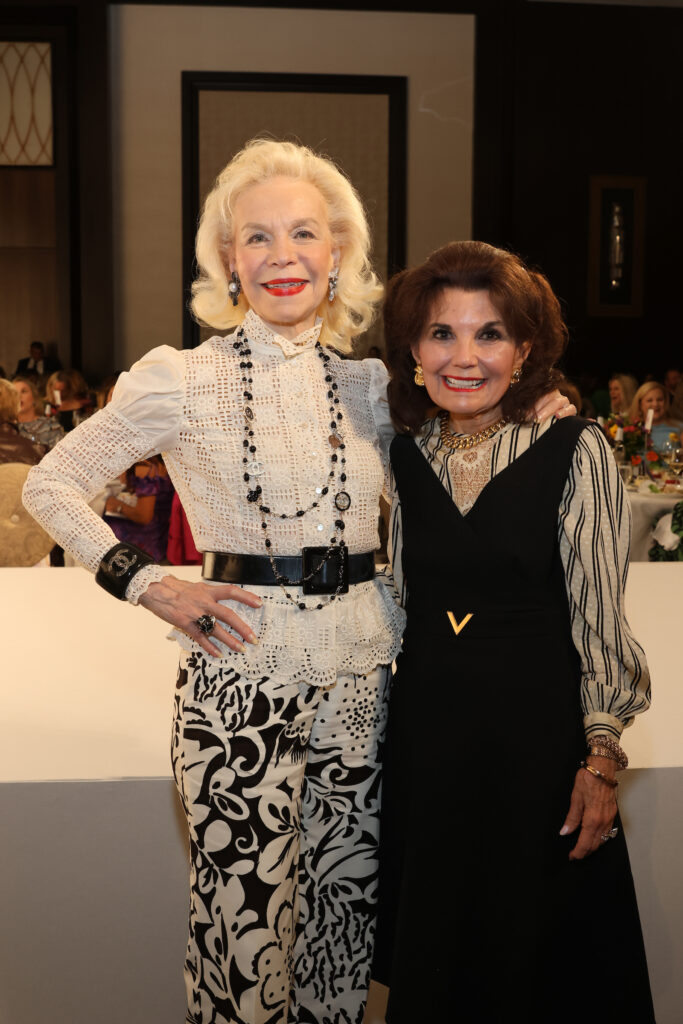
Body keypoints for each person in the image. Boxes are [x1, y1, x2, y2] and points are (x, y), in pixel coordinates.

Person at [23, 140, 572, 1024]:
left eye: (304, 234)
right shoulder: (181, 377)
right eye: (258, 238)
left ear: (338, 256)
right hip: (239, 682)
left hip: (364, 678)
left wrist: (538, 403)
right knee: (244, 930)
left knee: (341, 925)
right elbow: (53, 481)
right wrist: (147, 581)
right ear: (229, 262)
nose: (283, 256)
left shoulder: (376, 385)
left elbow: (476, 401)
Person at [373, 241, 654, 1022]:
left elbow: (601, 619)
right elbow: (390, 606)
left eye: (489, 333)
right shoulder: (400, 455)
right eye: (442, 334)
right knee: (443, 970)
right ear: (413, 352)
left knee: (540, 971)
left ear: (524, 348)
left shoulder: (576, 448)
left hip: (538, 751)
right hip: (428, 748)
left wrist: (599, 758)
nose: (464, 357)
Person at [0, 379, 46, 466]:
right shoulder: (37, 451)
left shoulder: (37, 450)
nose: (20, 396)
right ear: (16, 406)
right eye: (17, 394)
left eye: (23, 391)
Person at [12, 375, 64, 451]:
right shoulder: (7, 427)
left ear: (34, 397)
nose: (18, 396)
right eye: (14, 393)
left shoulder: (50, 426)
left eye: (24, 391)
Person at [629, 379, 683, 451]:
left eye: (660, 400)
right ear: (640, 404)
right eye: (649, 400)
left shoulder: (679, 428)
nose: (655, 404)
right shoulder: (631, 429)